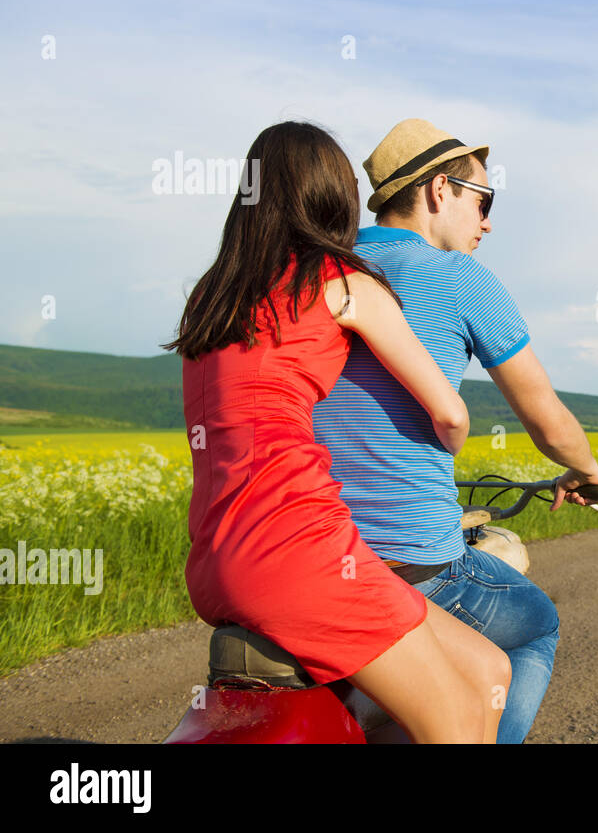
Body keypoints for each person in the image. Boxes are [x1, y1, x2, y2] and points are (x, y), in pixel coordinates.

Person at [166, 120, 510, 743]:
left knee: (488, 666)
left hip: (215, 560)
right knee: (462, 714)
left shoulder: (212, 298)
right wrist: (446, 444)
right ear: (336, 194)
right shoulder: (343, 282)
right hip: (299, 555)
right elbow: (451, 413)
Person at [312, 118, 598, 743]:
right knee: (535, 624)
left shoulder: (322, 271)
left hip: (314, 554)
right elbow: (547, 419)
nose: (489, 222)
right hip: (412, 561)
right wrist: (586, 471)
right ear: (439, 191)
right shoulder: (460, 279)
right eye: (484, 200)